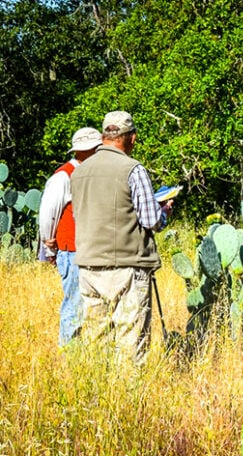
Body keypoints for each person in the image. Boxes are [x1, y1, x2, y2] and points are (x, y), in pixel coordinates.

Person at [70, 111, 173, 363]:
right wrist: (165, 213)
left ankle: (97, 398)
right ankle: (128, 400)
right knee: (130, 343)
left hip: (88, 268)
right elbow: (150, 220)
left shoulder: (79, 173)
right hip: (127, 266)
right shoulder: (133, 169)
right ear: (131, 138)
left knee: (96, 342)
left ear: (105, 136)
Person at [38, 127, 102, 346]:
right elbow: (48, 213)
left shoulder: (95, 173)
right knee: (74, 307)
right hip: (72, 249)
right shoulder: (63, 175)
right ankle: (69, 355)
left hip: (91, 250)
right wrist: (49, 245)